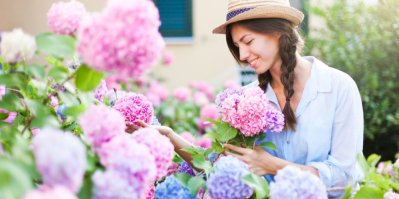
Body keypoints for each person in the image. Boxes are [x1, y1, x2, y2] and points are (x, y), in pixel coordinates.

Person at [133, 0, 364, 197]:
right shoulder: (245, 100)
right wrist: (171, 137)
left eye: (248, 41)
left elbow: (344, 178)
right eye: (237, 46)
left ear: (278, 32)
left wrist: (272, 166)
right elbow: (217, 167)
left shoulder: (338, 88)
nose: (242, 55)